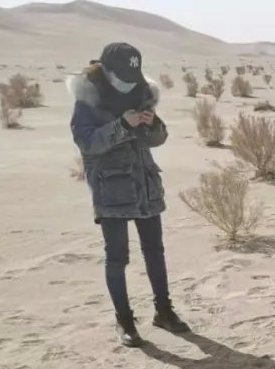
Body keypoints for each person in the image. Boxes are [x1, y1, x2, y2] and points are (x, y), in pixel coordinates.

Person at [69, 42, 189, 347]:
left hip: (146, 185)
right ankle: (124, 322)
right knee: (117, 257)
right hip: (111, 189)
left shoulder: (142, 93)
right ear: (106, 71)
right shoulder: (89, 98)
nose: (127, 82)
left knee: (155, 251)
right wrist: (122, 125)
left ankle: (164, 311)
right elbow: (87, 142)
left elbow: (156, 140)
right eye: (121, 76)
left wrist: (153, 126)